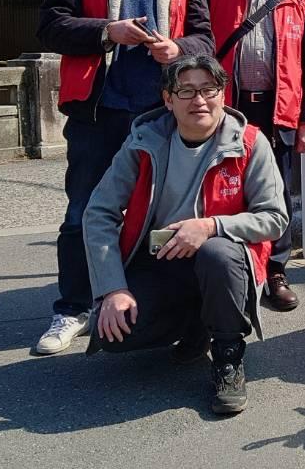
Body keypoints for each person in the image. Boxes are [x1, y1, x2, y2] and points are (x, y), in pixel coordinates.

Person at [34, 0, 214, 356]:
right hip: (99, 111)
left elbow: (204, 37)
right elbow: (50, 26)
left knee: (160, 213)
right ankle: (72, 308)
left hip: (161, 114)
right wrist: (106, 31)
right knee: (84, 211)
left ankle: (144, 301)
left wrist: (177, 49)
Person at [82, 56, 287, 416]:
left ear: (223, 95)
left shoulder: (251, 143)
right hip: (160, 259)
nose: (199, 100)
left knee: (217, 254)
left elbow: (274, 218)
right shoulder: (143, 141)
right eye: (187, 91)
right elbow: (99, 213)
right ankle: (198, 325)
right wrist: (112, 289)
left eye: (209, 89)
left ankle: (228, 355)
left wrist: (210, 226)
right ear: (168, 99)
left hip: (224, 263)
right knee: (111, 335)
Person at [209, 0, 305, 313]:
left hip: (278, 109)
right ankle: (233, 266)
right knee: (226, 186)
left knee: (277, 190)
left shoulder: (298, 2)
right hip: (230, 107)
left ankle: (275, 269)